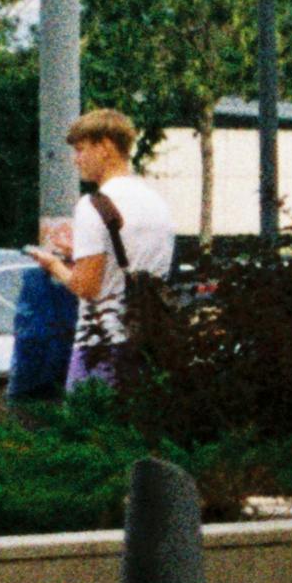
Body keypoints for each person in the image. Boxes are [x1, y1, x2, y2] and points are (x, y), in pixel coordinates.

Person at [38, 108, 179, 389]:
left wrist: (54, 265)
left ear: (105, 147)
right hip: (149, 341)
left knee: (87, 428)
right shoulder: (156, 202)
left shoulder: (94, 205)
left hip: (100, 344)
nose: (76, 160)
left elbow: (88, 287)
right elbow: (133, 258)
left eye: (80, 149)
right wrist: (77, 252)